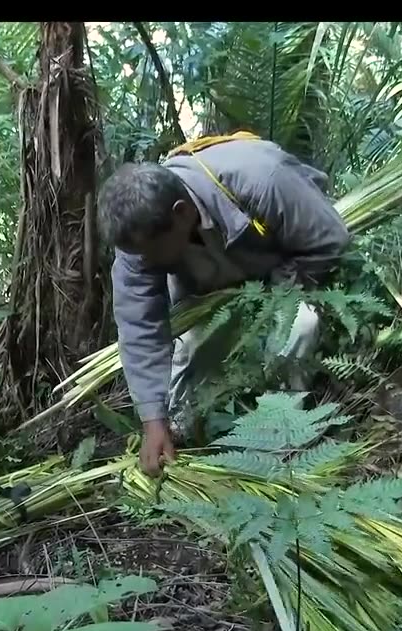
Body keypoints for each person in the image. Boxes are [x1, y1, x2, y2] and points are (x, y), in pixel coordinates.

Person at [97, 132, 353, 475]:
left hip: (276, 277)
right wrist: (152, 421)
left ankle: (284, 433)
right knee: (190, 350)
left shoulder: (264, 179)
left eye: (150, 254)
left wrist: (273, 293)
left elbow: (330, 239)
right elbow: (140, 328)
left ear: (182, 213)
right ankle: (184, 436)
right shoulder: (138, 242)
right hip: (204, 288)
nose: (143, 263)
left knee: (300, 327)